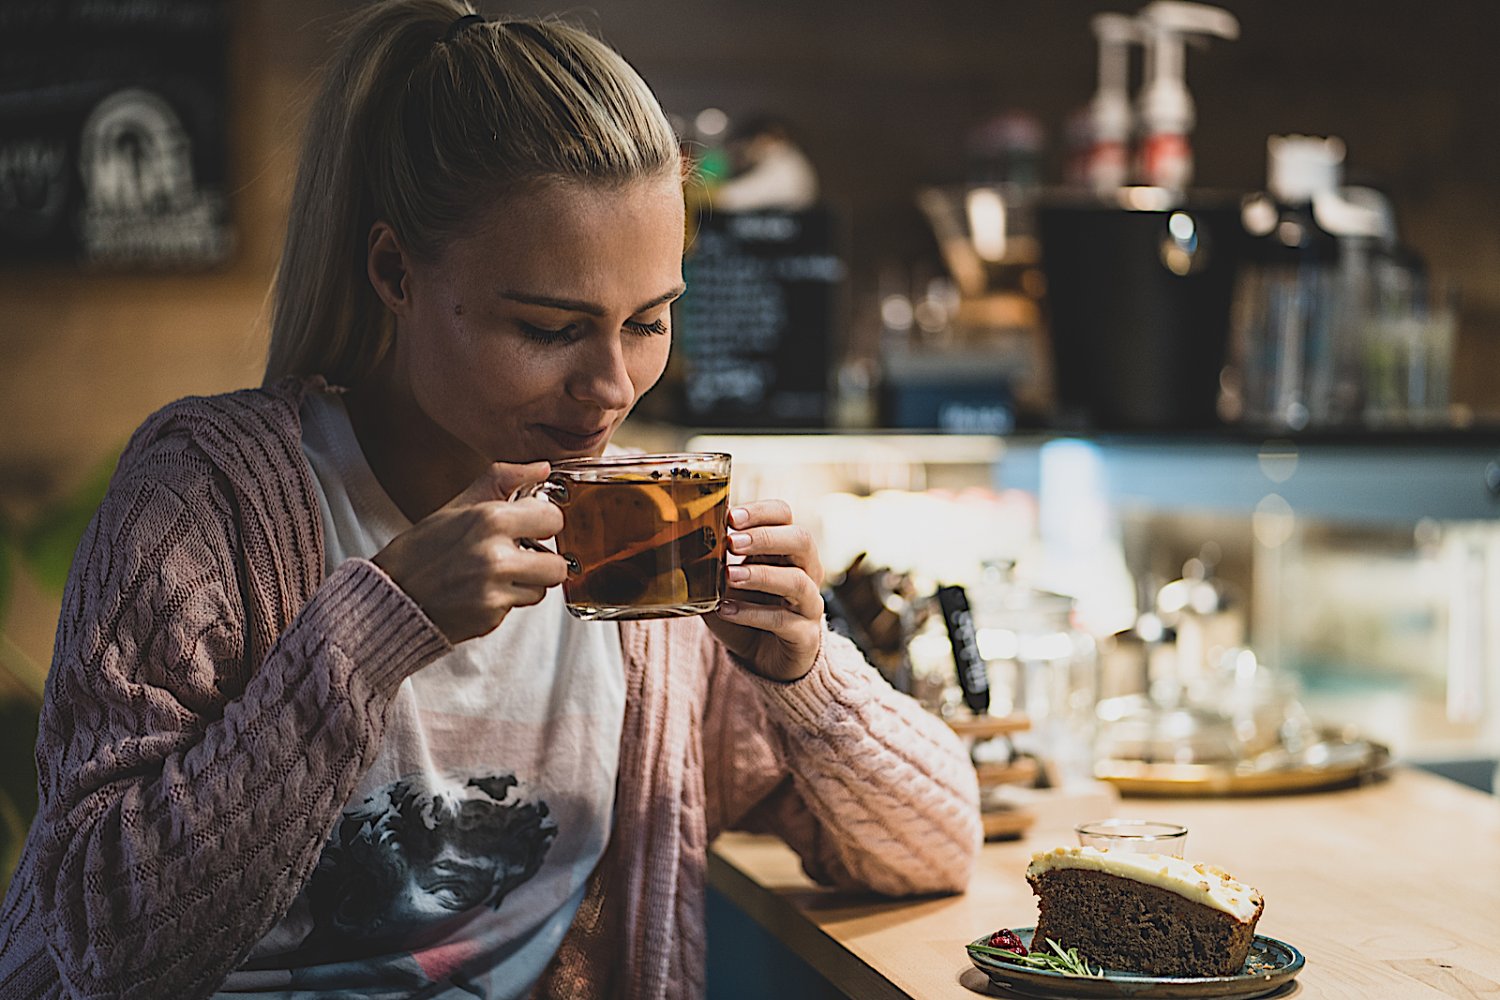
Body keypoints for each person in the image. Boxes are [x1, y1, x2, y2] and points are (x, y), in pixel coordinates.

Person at [0, 2, 982, 997]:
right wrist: (371, 633)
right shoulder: (210, 493)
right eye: (551, 328)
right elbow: (102, 946)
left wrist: (805, 674)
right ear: (395, 271)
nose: (611, 388)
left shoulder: (647, 549)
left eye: (647, 322)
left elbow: (937, 851)